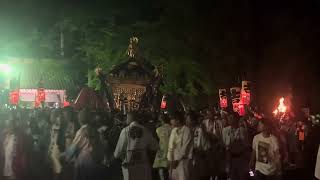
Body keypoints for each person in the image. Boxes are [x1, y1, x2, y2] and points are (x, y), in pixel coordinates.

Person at [114, 112, 158, 180]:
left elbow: (119, 149)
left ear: (129, 118)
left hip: (129, 163)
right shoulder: (145, 130)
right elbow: (154, 146)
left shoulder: (125, 131)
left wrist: (117, 155)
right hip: (143, 162)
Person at [65, 109, 103, 180]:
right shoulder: (95, 130)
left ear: (80, 119)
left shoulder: (81, 131)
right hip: (94, 161)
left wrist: (67, 157)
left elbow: (74, 147)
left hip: (83, 163)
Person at [0, 112, 28, 180]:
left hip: (14, 166)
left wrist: (22, 161)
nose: (9, 125)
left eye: (11, 122)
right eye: (8, 122)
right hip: (4, 165)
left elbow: (22, 151)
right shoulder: (4, 135)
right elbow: (2, 151)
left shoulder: (19, 136)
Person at [167, 111, 193, 180]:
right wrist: (169, 159)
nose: (171, 121)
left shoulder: (187, 130)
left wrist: (177, 160)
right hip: (173, 161)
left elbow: (185, 148)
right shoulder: (173, 131)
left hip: (183, 161)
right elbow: (170, 147)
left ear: (178, 120)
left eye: (172, 119)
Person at [222, 113, 249, 180]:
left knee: (242, 176)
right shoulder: (225, 130)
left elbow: (246, 145)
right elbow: (224, 144)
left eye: (231, 118)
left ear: (236, 119)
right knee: (231, 177)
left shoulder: (242, 130)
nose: (229, 120)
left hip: (240, 158)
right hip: (230, 158)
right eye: (228, 118)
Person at [153, 114, 172, 180]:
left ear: (161, 120)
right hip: (171, 151)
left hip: (161, 151)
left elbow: (155, 142)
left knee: (161, 170)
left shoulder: (158, 130)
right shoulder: (172, 128)